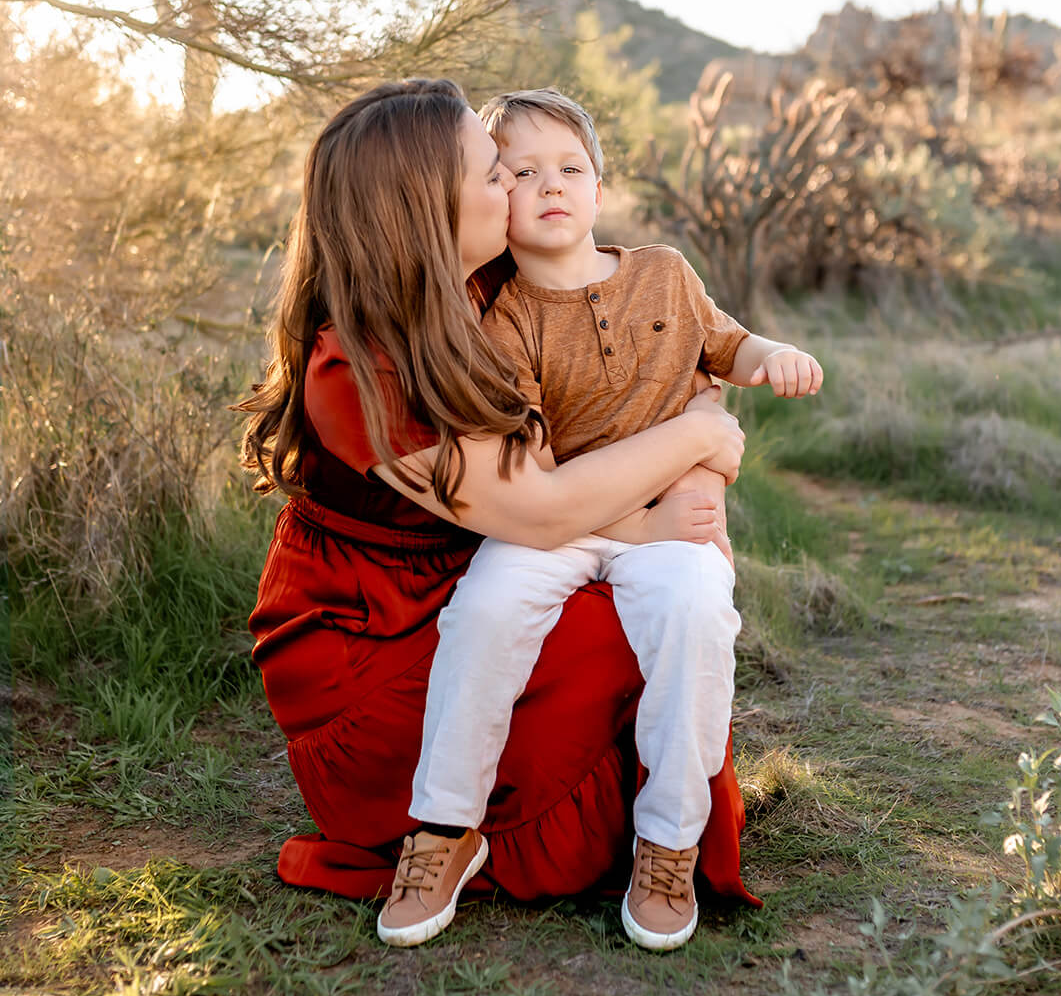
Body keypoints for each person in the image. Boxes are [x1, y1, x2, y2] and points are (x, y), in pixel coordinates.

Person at [238, 78, 755, 939]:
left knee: (677, 609)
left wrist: (696, 450)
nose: (520, 190)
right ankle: (446, 828)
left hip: (472, 564)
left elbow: (655, 372)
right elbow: (545, 510)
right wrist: (697, 441)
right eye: (496, 174)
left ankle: (667, 841)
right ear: (424, 207)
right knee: (606, 631)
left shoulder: (493, 289)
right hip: (370, 635)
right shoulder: (356, 371)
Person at [383, 89, 823, 952]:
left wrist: (777, 359)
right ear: (492, 193)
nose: (551, 185)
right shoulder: (501, 318)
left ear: (599, 183)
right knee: (482, 613)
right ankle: (444, 828)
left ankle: (668, 840)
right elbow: (538, 477)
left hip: (665, 521)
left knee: (697, 613)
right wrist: (649, 516)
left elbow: (727, 346)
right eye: (522, 172)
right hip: (566, 518)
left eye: (571, 168)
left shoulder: (663, 271)